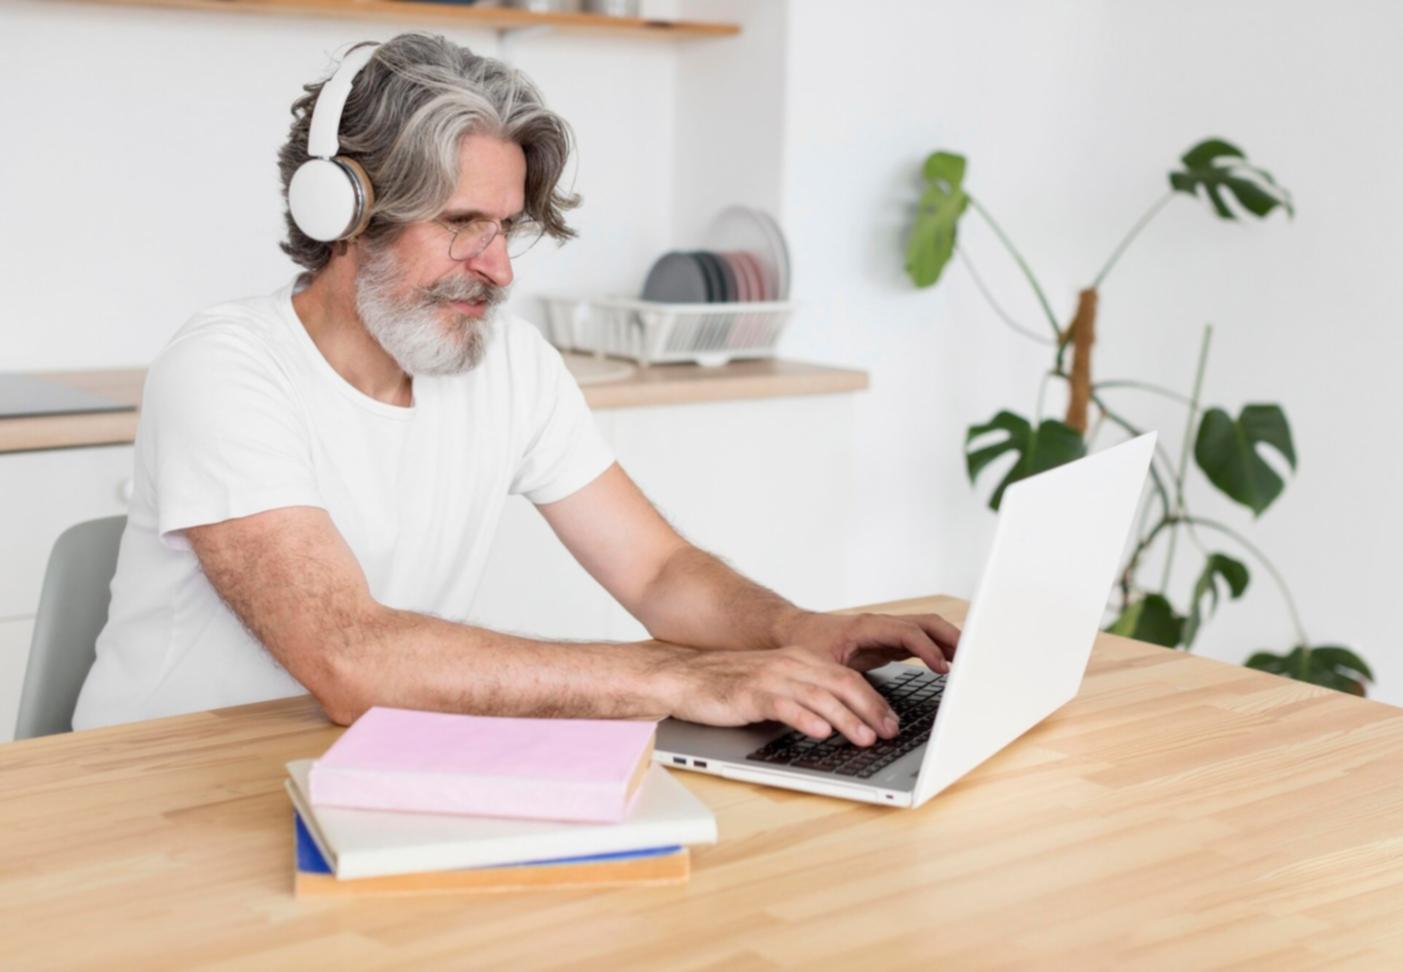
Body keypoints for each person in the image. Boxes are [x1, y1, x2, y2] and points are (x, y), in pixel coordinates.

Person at [72, 33, 958, 744]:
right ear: (339, 216)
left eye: (504, 228)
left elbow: (656, 571)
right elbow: (349, 656)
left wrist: (795, 629)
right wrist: (678, 676)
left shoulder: (509, 364)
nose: (495, 267)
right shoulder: (226, 368)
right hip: (159, 786)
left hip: (362, 765)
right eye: (460, 225)